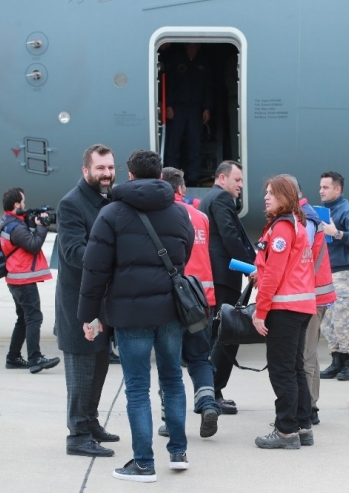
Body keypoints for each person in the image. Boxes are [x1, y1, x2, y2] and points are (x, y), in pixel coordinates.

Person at [77, 150, 194, 482]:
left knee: (138, 388)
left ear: (129, 175)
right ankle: (179, 451)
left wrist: (88, 315)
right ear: (160, 175)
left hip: (130, 316)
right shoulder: (178, 212)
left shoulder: (111, 213)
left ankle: (143, 462)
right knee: (172, 380)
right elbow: (185, 253)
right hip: (171, 311)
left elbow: (94, 269)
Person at [55, 144, 118, 458]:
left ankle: (91, 422)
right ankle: (77, 434)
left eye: (110, 167)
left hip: (103, 303)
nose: (106, 174)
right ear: (86, 171)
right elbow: (72, 252)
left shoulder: (110, 198)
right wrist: (111, 259)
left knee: (100, 366)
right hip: (79, 304)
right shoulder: (72, 204)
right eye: (100, 169)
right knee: (81, 371)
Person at [252, 175, 316, 449]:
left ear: (285, 196)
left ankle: (286, 430)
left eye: (271, 193)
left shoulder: (281, 229)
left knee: (282, 371)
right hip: (301, 307)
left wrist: (260, 311)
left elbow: (274, 275)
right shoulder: (296, 225)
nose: (266, 197)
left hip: (284, 308)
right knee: (295, 368)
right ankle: (302, 426)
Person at [158, 167, 220, 439]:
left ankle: (170, 420)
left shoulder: (160, 217)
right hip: (202, 300)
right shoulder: (201, 217)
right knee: (200, 358)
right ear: (182, 189)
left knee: (168, 362)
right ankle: (208, 403)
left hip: (173, 300)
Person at [198, 161, 256, 414]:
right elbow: (230, 237)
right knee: (226, 335)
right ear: (222, 178)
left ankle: (211, 392)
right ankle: (214, 391)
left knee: (217, 335)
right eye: (237, 180)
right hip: (224, 276)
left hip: (218, 276)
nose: (241, 186)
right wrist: (251, 267)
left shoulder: (209, 198)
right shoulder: (221, 199)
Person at [0, 187, 59, 374]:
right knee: (34, 317)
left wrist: (32, 221)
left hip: (15, 278)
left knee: (23, 319)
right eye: (23, 203)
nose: (24, 205)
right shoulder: (16, 227)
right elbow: (33, 246)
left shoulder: (8, 222)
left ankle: (13, 357)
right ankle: (35, 358)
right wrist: (42, 226)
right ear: (16, 204)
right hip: (22, 279)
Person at [293, 178, 336, 425]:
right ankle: (311, 404)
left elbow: (301, 257)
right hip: (314, 295)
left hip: (312, 297)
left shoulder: (305, 219)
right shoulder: (305, 215)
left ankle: (308, 408)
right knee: (309, 354)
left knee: (306, 355)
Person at [318, 171, 349, 381]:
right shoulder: (322, 211)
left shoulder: (348, 211)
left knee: (340, 318)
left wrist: (336, 233)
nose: (321, 190)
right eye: (320, 187)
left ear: (337, 189)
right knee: (327, 320)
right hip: (326, 273)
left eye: (325, 187)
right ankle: (336, 360)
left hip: (343, 272)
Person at [163, 42, 213, 186]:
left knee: (194, 143)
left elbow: (208, 86)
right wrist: (169, 105)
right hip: (177, 107)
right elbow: (169, 84)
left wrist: (207, 108)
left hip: (195, 109)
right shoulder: (176, 60)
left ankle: (192, 178)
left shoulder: (203, 62)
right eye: (190, 45)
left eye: (195, 44)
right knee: (173, 144)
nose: (192, 46)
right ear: (185, 45)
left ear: (199, 46)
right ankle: (171, 177)